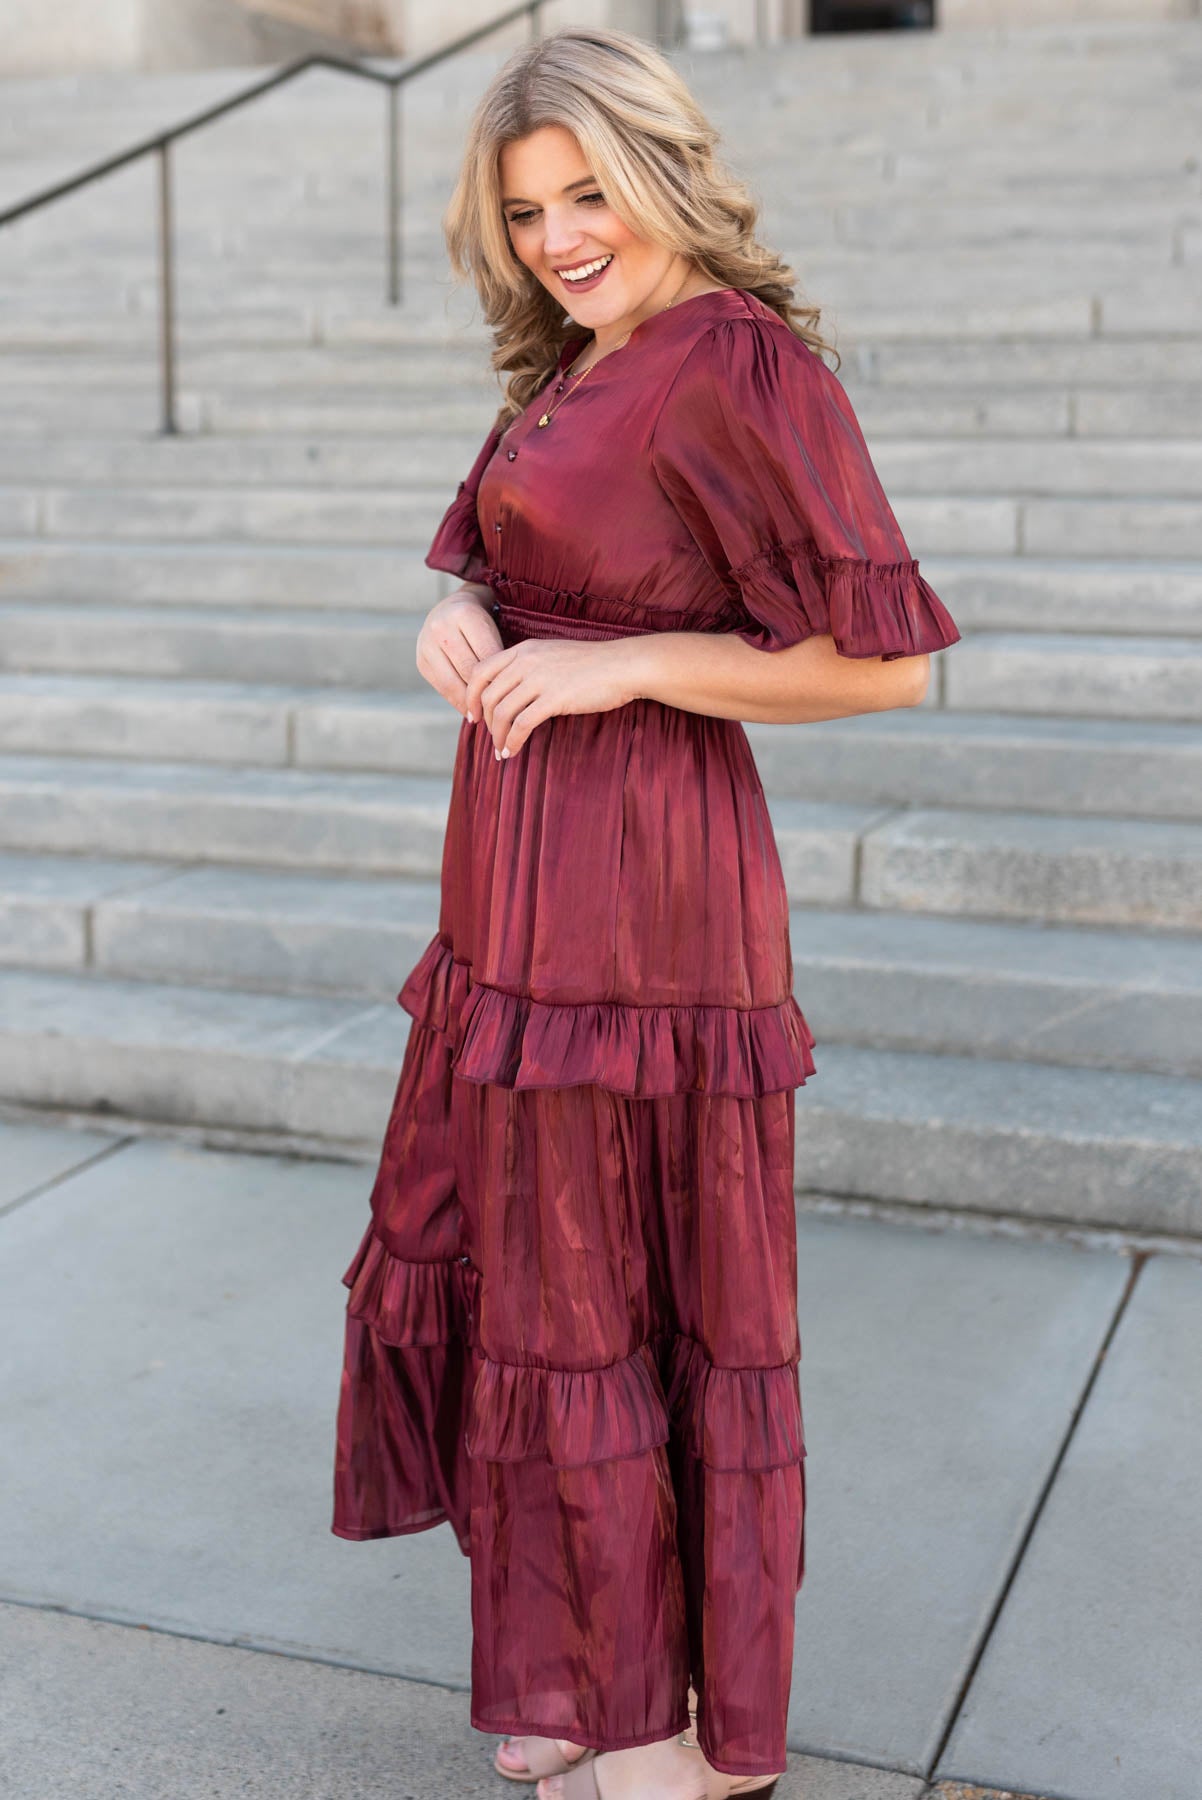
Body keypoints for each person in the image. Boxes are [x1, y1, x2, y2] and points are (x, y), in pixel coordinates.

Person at [330, 24, 961, 1800]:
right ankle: (584, 1671)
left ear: (662, 169)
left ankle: (682, 1731)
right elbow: (493, 563)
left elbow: (882, 674)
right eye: (528, 207)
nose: (559, 233)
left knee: (633, 1288)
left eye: (589, 192)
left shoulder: (739, 366)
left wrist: (624, 674)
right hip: (515, 887)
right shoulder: (575, 357)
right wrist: (449, 621)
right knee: (542, 1276)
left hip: (641, 896)